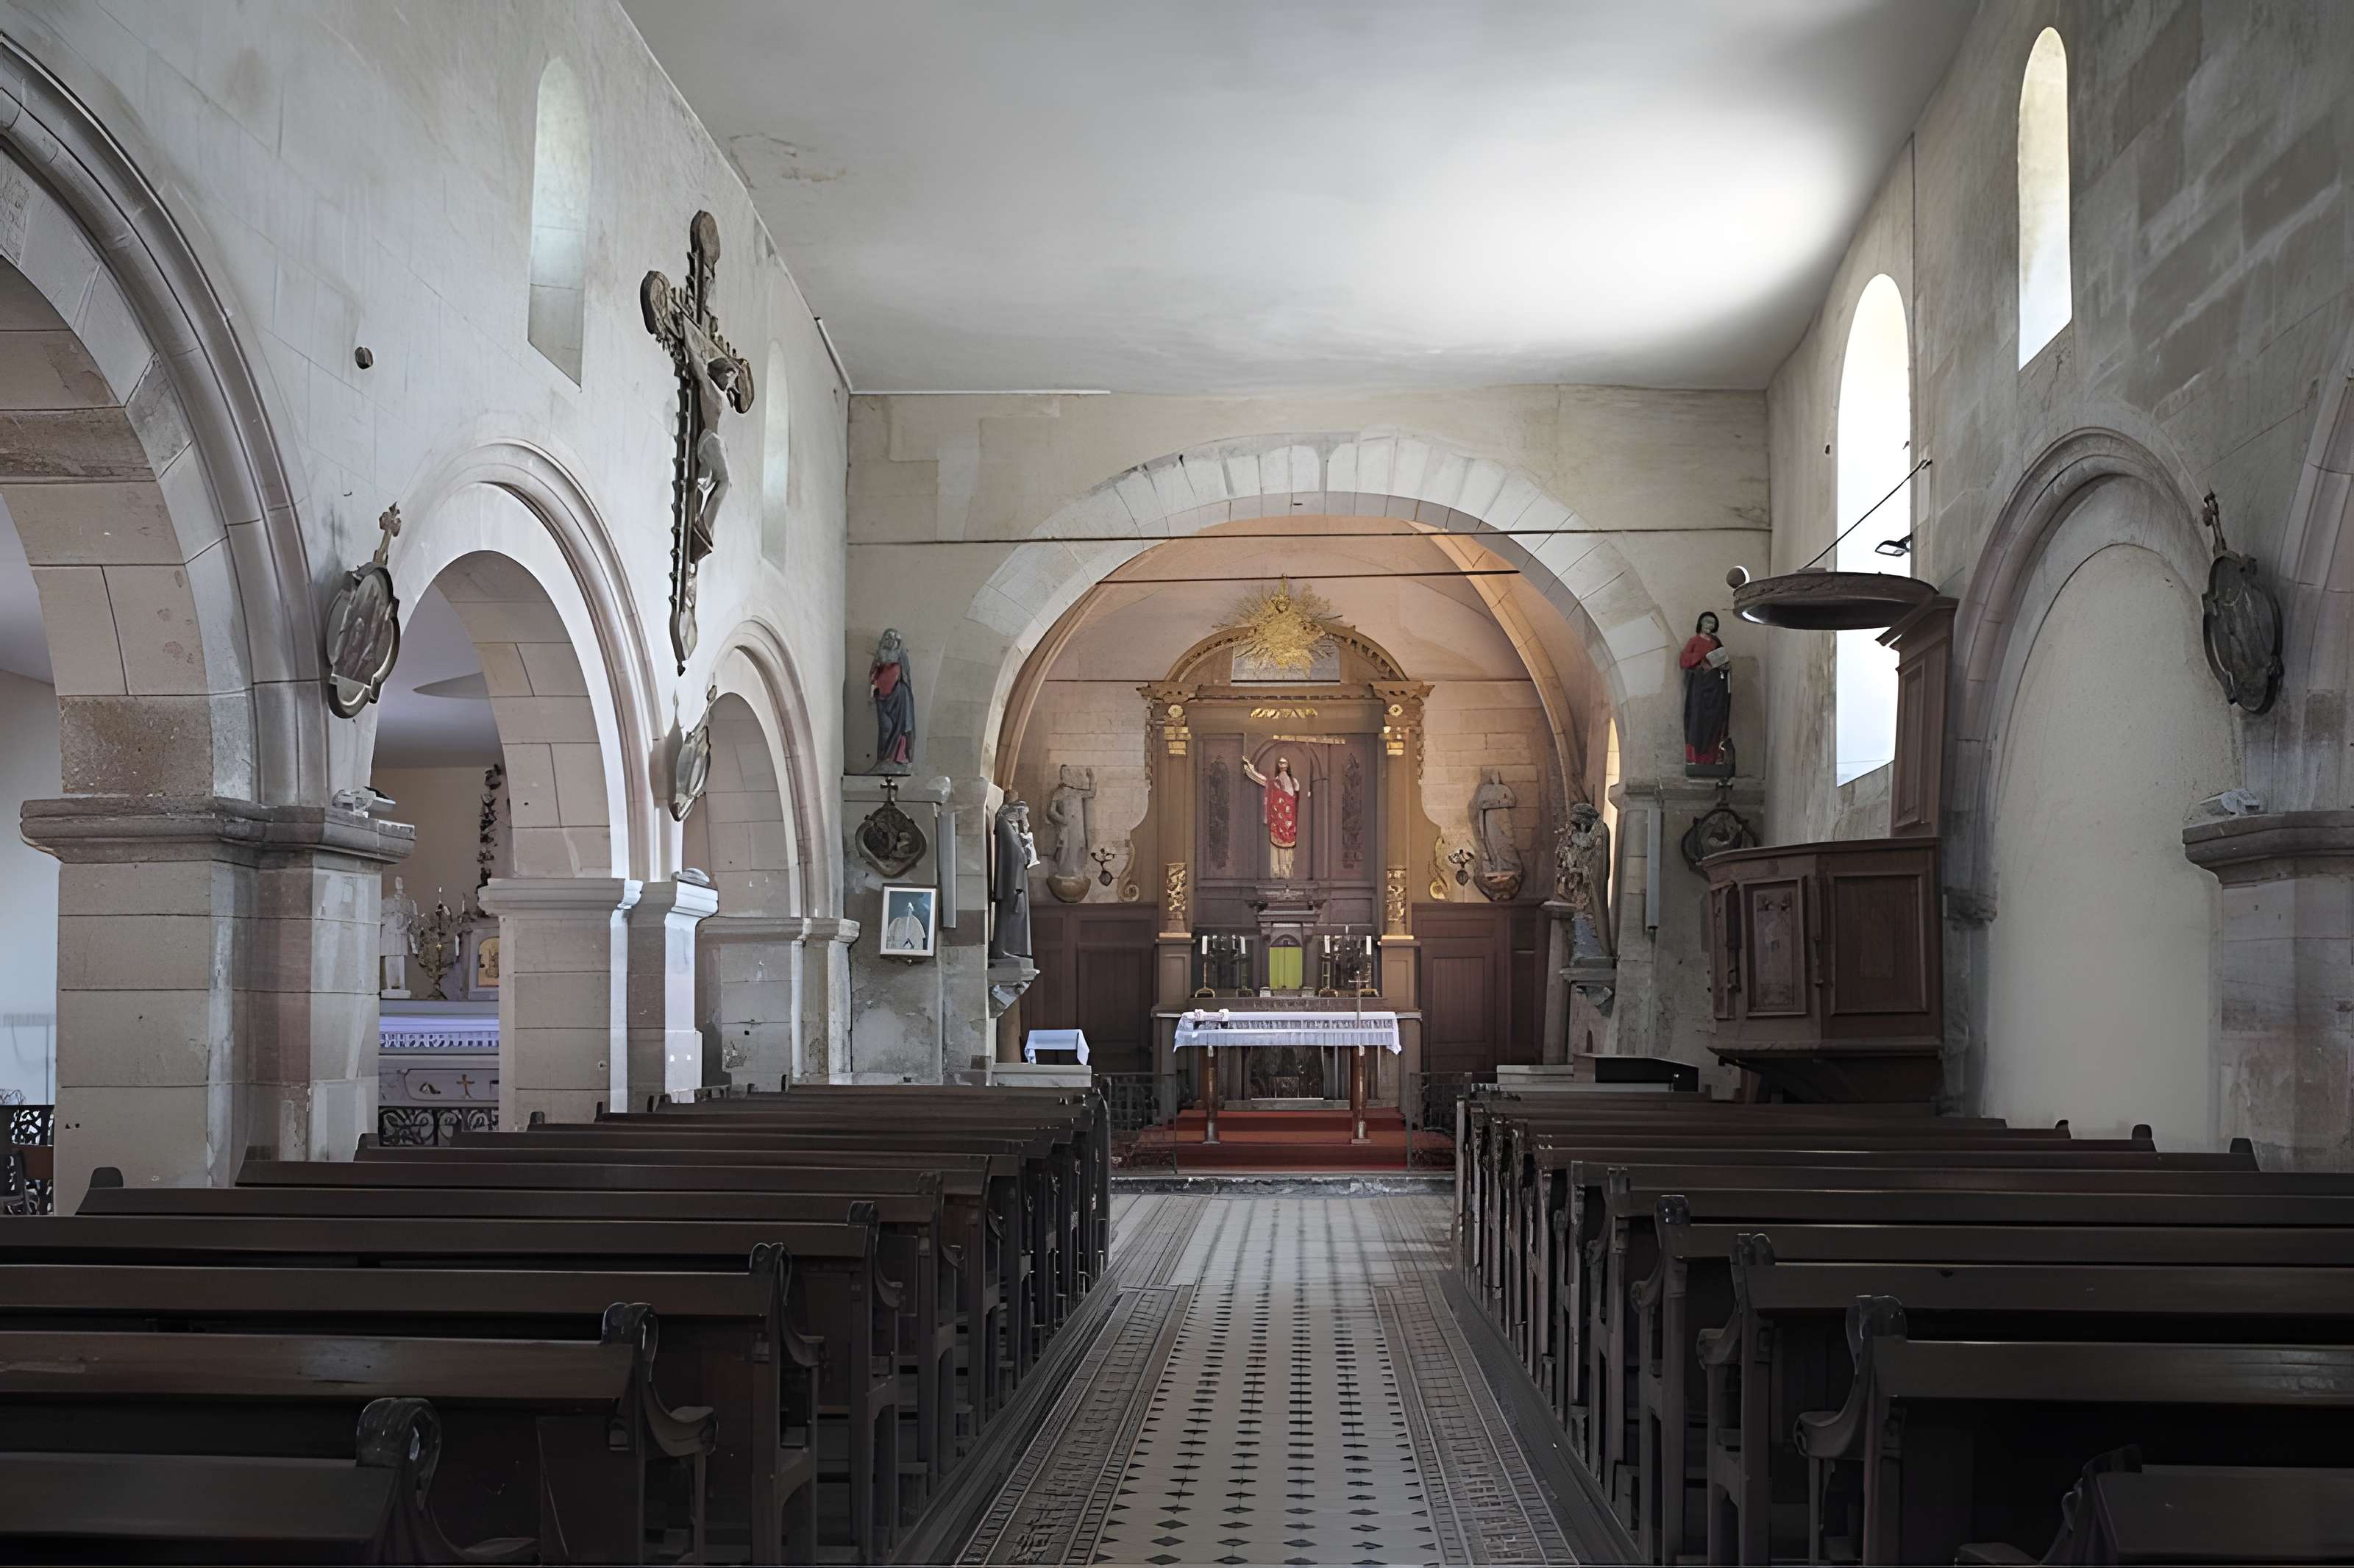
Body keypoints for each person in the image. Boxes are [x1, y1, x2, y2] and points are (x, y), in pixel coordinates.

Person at [1680, 611, 1733, 771]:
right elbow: (1684, 660)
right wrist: (1701, 656)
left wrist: (1724, 665)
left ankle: (1712, 756)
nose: (1709, 625)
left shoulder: (1717, 642)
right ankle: (1697, 758)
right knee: (1698, 719)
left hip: (1716, 686)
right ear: (1700, 624)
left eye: (1712, 623)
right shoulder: (1694, 641)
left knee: (1714, 720)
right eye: (1706, 622)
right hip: (1700, 685)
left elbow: (1724, 661)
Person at [1242, 755, 1305, 880]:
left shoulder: (1294, 782)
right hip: (1277, 821)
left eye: (1285, 763)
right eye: (1281, 763)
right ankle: (1277, 873)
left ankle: (1288, 873)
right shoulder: (1273, 784)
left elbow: (1298, 799)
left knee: (1289, 852)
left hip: (1290, 822)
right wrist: (1250, 770)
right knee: (1276, 851)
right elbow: (1262, 781)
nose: (1283, 766)